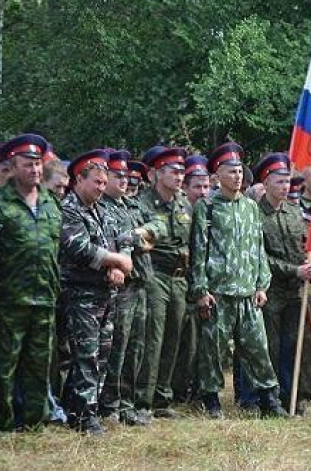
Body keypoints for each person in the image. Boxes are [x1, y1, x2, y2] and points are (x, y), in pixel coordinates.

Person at [190, 143, 287, 419]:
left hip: (248, 293)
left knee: (258, 349)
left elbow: (259, 249)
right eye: (231, 172)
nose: (237, 177)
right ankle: (211, 401)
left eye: (240, 172)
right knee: (213, 351)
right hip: (218, 293)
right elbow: (199, 250)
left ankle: (269, 399)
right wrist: (200, 290)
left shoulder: (250, 208)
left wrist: (261, 284)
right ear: (217, 175)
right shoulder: (206, 208)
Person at [0, 135, 62, 440]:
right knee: (3, 367)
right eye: (27, 165)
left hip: (45, 298)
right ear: (12, 168)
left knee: (40, 365)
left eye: (38, 164)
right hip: (9, 300)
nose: (35, 170)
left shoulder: (51, 202)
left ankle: (34, 422)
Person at [59, 150, 135, 434]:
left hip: (107, 293)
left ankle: (84, 407)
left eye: (105, 183)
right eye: (97, 183)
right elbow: (79, 248)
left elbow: (124, 239)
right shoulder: (69, 209)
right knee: (86, 355)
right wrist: (114, 261)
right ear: (79, 179)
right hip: (82, 295)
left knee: (102, 353)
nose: (102, 188)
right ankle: (82, 414)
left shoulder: (102, 210)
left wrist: (120, 264)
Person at [98, 151, 160, 426]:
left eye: (125, 176)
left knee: (137, 347)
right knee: (118, 347)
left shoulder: (132, 206)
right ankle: (109, 405)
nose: (123, 180)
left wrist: (137, 237)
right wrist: (138, 240)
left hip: (141, 284)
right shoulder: (102, 207)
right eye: (117, 175)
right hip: (120, 288)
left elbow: (159, 228)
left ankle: (127, 403)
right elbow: (111, 241)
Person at [255, 153, 311, 412]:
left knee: (299, 345)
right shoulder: (256, 214)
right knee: (272, 346)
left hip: (297, 291)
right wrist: (295, 270)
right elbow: (261, 257)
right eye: (279, 182)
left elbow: (305, 246)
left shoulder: (294, 212)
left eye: (287, 182)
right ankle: (271, 398)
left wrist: (310, 264)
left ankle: (296, 396)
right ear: (266, 183)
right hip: (272, 291)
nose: (285, 187)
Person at [135, 146, 190, 420]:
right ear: (156, 173)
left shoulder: (183, 203)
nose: (179, 176)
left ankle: (162, 398)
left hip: (179, 278)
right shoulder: (142, 203)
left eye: (182, 171)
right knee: (153, 338)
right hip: (154, 274)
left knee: (173, 337)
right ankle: (143, 401)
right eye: (173, 171)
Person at [171, 154, 210, 406]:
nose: (203, 192)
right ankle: (175, 391)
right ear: (185, 187)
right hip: (180, 283)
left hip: (203, 286)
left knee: (200, 342)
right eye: (197, 187)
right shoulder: (180, 210)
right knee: (178, 341)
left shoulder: (210, 210)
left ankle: (195, 391)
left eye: (206, 186)